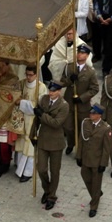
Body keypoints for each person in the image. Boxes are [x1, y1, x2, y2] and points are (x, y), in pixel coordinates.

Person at [34, 81, 70, 210]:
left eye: (54, 91)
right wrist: (33, 134)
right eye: (50, 90)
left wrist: (42, 114)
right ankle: (47, 189)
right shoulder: (43, 99)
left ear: (59, 92)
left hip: (56, 142)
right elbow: (36, 120)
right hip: (43, 139)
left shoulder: (64, 105)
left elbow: (56, 123)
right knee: (41, 168)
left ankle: (51, 196)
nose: (50, 93)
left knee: (55, 171)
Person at [61, 44, 99, 155]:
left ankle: (80, 147)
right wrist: (70, 80)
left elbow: (95, 88)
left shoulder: (90, 72)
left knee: (81, 127)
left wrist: (82, 98)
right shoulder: (69, 67)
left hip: (82, 105)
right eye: (78, 52)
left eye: (82, 53)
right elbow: (62, 81)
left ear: (87, 56)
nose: (79, 54)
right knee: (68, 127)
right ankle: (71, 143)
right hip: (69, 102)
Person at [76, 104, 112, 218]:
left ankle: (94, 206)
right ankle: (96, 194)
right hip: (86, 158)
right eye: (91, 113)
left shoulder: (105, 128)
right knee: (85, 176)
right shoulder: (85, 123)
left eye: (93, 113)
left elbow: (106, 148)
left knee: (96, 183)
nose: (90, 114)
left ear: (99, 115)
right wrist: (79, 155)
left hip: (97, 160)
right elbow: (82, 140)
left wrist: (103, 164)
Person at [14, 66, 46, 182]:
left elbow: (38, 105)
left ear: (36, 75)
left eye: (30, 75)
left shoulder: (41, 87)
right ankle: (18, 165)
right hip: (21, 118)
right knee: (20, 140)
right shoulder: (22, 83)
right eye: (26, 74)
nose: (28, 77)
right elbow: (15, 97)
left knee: (30, 144)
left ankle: (27, 171)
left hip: (32, 119)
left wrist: (21, 102)